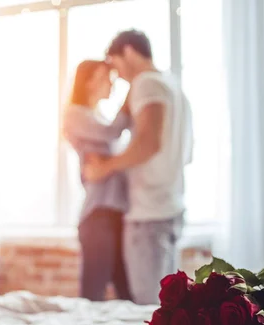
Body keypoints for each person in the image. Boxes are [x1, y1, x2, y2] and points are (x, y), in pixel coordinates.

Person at [83, 30, 193, 305]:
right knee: (166, 306)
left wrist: (105, 168)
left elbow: (147, 142)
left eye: (116, 64)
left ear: (129, 52)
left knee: (146, 308)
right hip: (171, 207)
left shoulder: (146, 83)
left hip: (148, 215)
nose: (118, 76)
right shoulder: (174, 86)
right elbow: (187, 152)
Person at [62, 60, 133, 301]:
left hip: (117, 214)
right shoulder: (75, 114)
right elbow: (110, 133)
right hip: (98, 215)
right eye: (107, 78)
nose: (112, 84)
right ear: (89, 81)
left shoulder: (100, 116)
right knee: (94, 294)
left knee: (125, 292)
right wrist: (131, 98)